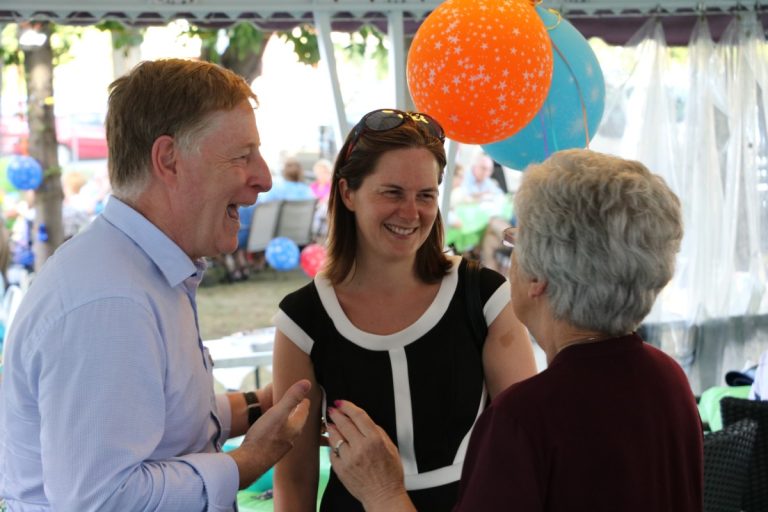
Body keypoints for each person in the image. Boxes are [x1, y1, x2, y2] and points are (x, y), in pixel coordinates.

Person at [0, 58, 311, 511]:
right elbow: (102, 500)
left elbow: (161, 417)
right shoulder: (109, 301)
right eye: (242, 156)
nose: (263, 178)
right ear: (168, 160)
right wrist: (250, 460)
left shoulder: (142, 271)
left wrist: (261, 405)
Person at [324, 149, 704, 511]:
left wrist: (382, 491)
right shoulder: (668, 378)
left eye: (516, 239)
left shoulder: (525, 418)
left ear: (539, 276)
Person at [271, 108, 537, 512]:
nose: (411, 212)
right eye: (392, 192)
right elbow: (295, 477)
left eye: (425, 195)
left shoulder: (483, 296)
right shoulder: (302, 318)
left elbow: (522, 448)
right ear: (347, 193)